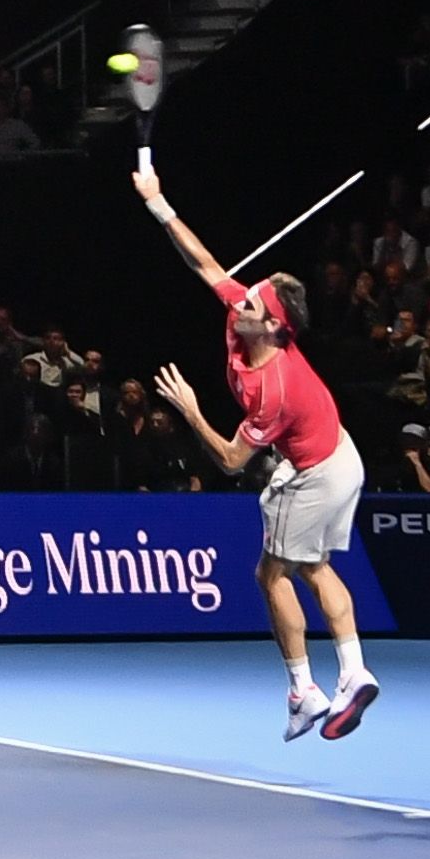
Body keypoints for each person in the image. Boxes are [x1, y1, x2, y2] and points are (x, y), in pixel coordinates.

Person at [137, 163, 377, 740]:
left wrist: (190, 408)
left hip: (317, 473)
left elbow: (228, 462)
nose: (239, 302)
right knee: (315, 565)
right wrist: (158, 202)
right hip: (340, 457)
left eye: (252, 303)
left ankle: (304, 690)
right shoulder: (250, 321)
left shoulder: (273, 392)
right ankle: (354, 671)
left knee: (272, 573)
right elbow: (205, 263)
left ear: (273, 326)